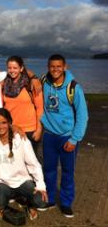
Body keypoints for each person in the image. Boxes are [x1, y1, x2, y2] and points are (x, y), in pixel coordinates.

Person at [40, 54, 88, 218]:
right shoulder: (43, 82)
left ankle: (66, 203)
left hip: (67, 137)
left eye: (58, 66)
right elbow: (28, 76)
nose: (55, 69)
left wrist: (74, 139)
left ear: (65, 67)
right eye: (52, 66)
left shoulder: (73, 87)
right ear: (48, 67)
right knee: (49, 170)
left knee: (68, 172)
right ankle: (50, 199)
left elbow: (83, 116)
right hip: (49, 136)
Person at [0, 108, 47, 221]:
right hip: (2, 183)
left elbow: (34, 164)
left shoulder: (20, 138)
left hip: (23, 181)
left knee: (40, 201)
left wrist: (40, 185)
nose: (1, 126)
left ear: (10, 123)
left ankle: (30, 205)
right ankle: (1, 207)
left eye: (4, 122)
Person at [2, 56, 43, 153]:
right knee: (13, 161)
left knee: (31, 162)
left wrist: (39, 130)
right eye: (9, 68)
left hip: (29, 129)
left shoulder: (31, 85)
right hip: (12, 128)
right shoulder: (4, 84)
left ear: (21, 68)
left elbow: (40, 108)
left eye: (15, 68)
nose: (12, 71)